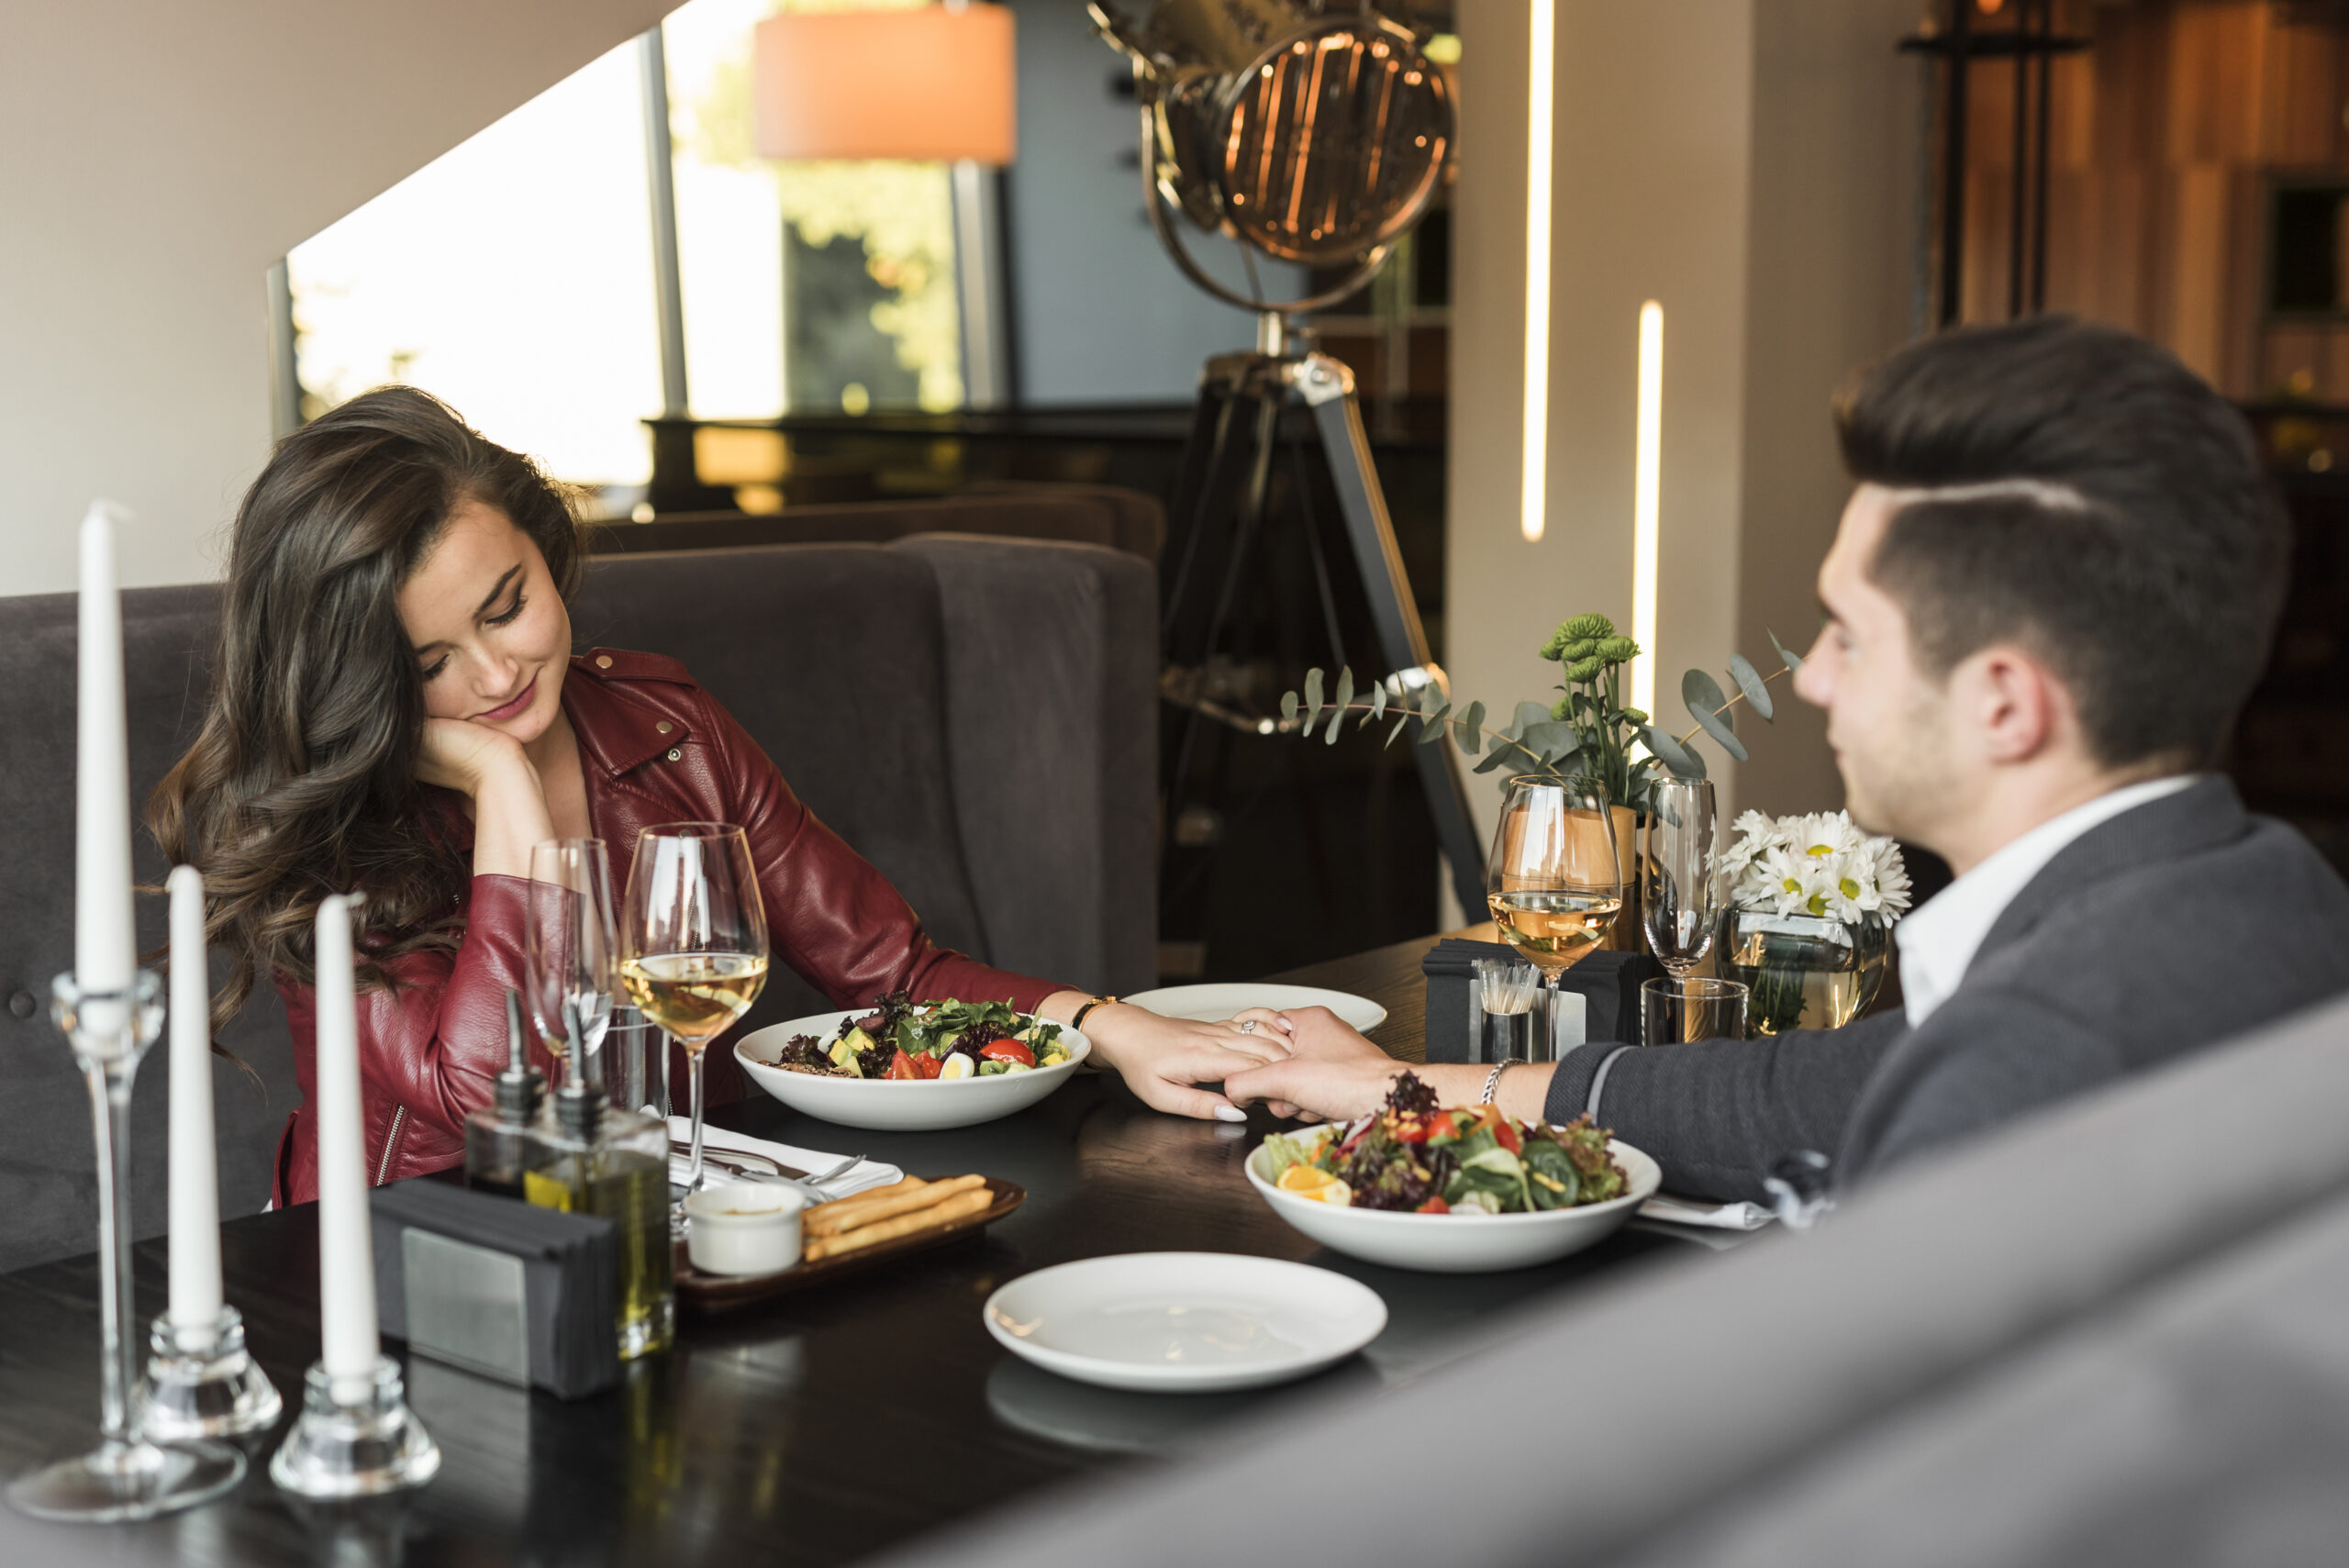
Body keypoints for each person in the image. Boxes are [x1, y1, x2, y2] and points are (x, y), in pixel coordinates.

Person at [1223, 317, 2349, 1199]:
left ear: (2005, 701)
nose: (1810, 676)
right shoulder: (2270, 894)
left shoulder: (2036, 1058)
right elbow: (1806, 1093)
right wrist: (1396, 1084)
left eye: (1850, 635)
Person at [151, 387, 1286, 1207]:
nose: (495, 677)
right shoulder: (334, 822)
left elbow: (897, 975)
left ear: (547, 555)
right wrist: (501, 787)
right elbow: (486, 1103)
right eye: (427, 662)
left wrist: (1115, 1025)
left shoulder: (663, 722)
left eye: (506, 606)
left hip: (671, 1214)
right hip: (417, 1251)